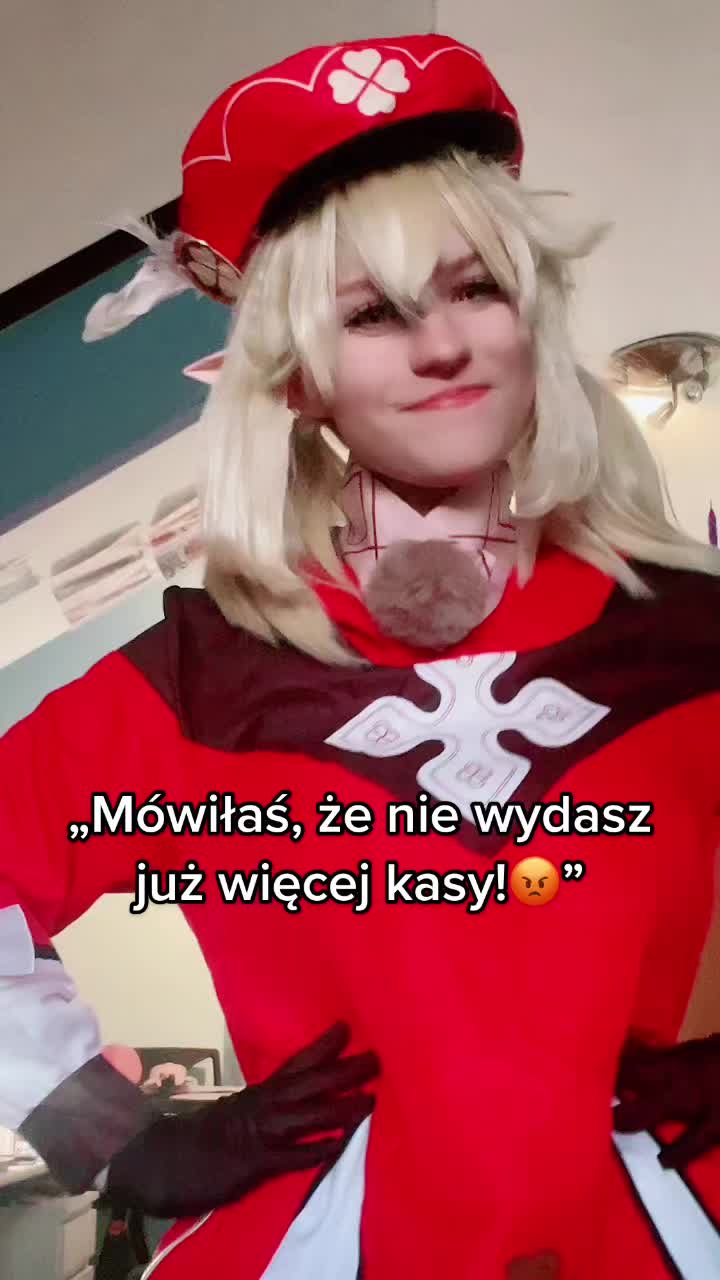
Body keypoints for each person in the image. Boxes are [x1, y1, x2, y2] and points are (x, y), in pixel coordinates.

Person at [2, 29, 720, 1280]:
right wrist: (105, 1128)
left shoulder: (691, 636)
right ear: (295, 379)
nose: (441, 345)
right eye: (373, 312)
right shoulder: (195, 688)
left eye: (476, 288)